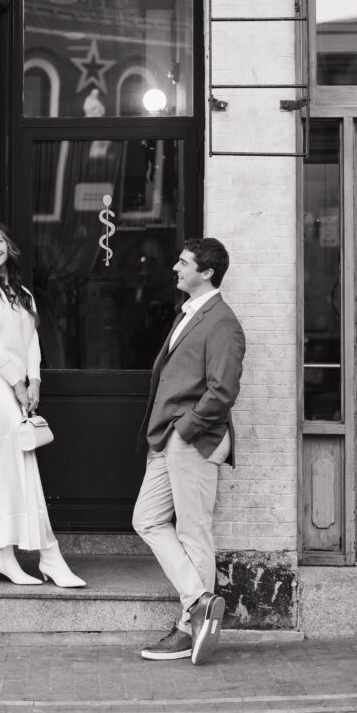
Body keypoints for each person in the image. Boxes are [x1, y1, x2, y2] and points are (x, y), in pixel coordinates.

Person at [133, 237, 245, 665]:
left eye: (183, 263)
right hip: (168, 438)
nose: (176, 269)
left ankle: (189, 628)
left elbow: (222, 391)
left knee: (193, 531)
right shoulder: (190, 313)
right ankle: (199, 600)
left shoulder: (222, 323)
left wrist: (186, 429)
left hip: (192, 440)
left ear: (207, 272)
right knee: (146, 519)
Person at [0, 221, 85, 588]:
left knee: (10, 470)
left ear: (9, 245)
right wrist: (17, 382)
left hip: (17, 386)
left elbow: (32, 344)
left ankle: (2, 556)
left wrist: (34, 381)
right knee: (16, 468)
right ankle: (48, 554)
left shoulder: (23, 293)